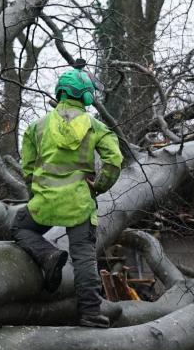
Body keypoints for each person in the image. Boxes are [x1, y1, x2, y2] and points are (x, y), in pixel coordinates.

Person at [11, 68, 123, 327]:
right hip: (80, 203)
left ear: (60, 92)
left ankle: (48, 255)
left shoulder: (36, 127)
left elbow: (27, 167)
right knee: (83, 255)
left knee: (20, 227)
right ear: (85, 95)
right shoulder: (96, 127)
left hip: (45, 201)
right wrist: (99, 186)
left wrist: (36, 192)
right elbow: (114, 160)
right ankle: (91, 313)